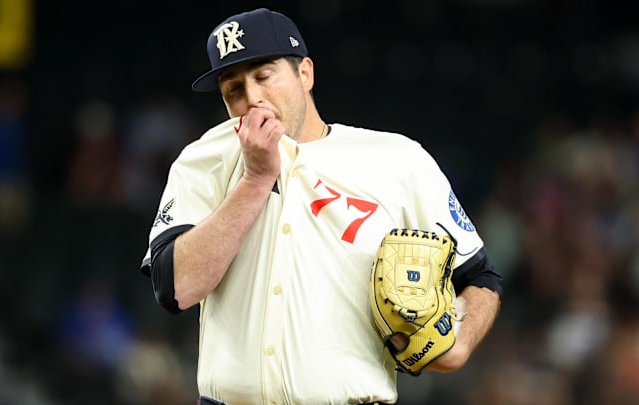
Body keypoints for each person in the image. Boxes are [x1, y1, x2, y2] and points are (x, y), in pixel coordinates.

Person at [140, 8, 503, 405]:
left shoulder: (398, 160)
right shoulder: (204, 158)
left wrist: (460, 344)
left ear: (305, 73)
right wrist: (255, 181)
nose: (253, 99)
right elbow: (176, 289)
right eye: (234, 90)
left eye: (263, 76)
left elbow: (480, 274)